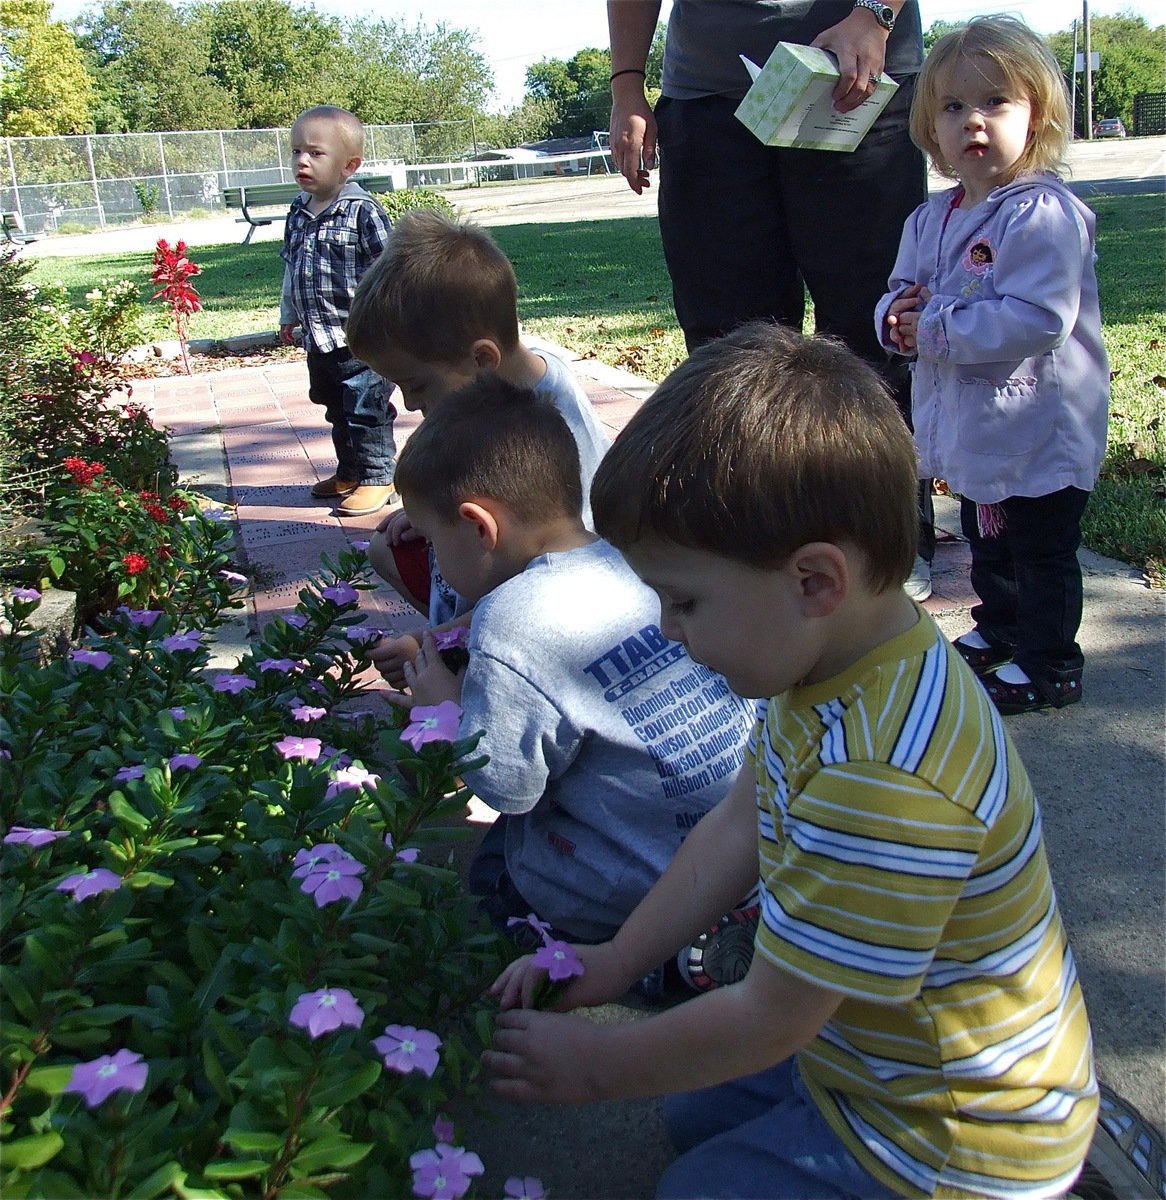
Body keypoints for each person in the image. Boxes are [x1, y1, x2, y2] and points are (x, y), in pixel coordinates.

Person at [483, 323, 1098, 1199]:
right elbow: (741, 820)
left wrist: (598, 1066)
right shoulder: (835, 662)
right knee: (691, 1116)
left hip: (958, 1135)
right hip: (865, 1047)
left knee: (692, 1184)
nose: (667, 629)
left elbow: (771, 1015)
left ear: (814, 581)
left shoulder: (886, 782)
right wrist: (616, 961)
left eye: (685, 599)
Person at [388, 375, 755, 967]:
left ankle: (629, 977)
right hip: (739, 859)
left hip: (626, 905)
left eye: (431, 539)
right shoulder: (633, 554)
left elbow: (506, 788)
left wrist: (445, 709)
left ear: (479, 527)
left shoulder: (509, 621)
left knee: (494, 870)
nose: (431, 556)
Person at [607, 0, 936, 600]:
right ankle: (754, 537)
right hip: (709, 96)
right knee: (728, 344)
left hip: (855, 78)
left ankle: (881, 539)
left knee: (875, 329)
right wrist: (627, 82)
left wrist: (874, 15)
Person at [876, 16, 1109, 716]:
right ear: (931, 126)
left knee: (1039, 551)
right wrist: (894, 318)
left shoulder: (1041, 213)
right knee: (986, 538)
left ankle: (1049, 663)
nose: (973, 121)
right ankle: (1000, 625)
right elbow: (902, 291)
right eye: (953, 106)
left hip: (1038, 422)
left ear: (1036, 115)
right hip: (977, 423)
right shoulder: (931, 218)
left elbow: (1039, 318)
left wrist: (937, 326)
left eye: (995, 102)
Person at [346, 210, 610, 684]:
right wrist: (430, 512)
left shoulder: (558, 429)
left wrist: (437, 643)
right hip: (507, 566)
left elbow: (558, 584)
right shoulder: (500, 391)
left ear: (482, 360)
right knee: (387, 548)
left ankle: (480, 665)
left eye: (417, 384)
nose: (408, 403)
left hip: (557, 605)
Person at [277, 105, 397, 517]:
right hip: (320, 336)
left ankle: (379, 477)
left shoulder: (363, 211)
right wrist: (288, 314)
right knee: (335, 407)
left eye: (315, 152)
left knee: (366, 409)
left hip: (363, 339)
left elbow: (392, 272)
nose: (301, 161)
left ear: (349, 165)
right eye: (296, 152)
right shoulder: (297, 211)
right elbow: (292, 267)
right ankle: (350, 471)